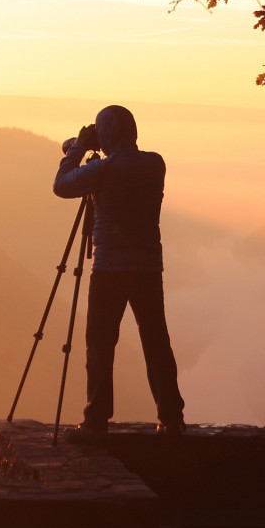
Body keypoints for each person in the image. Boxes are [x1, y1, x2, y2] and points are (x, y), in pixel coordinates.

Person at [53, 105, 186, 442]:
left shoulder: (103, 168)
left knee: (100, 345)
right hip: (147, 268)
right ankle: (171, 418)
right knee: (156, 342)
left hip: (109, 269)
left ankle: (96, 420)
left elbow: (62, 185)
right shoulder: (155, 164)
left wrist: (79, 147)